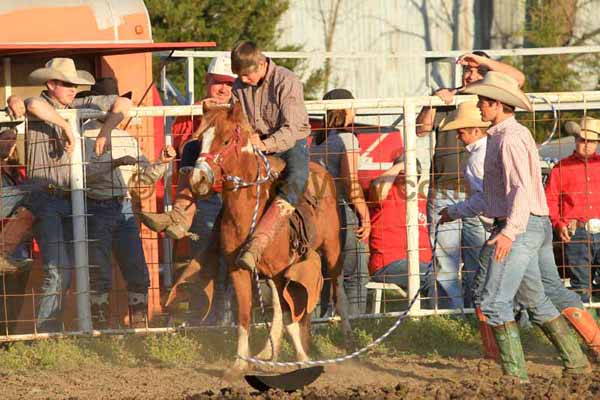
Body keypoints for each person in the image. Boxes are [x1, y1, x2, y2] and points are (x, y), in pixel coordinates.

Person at [465, 71, 590, 381]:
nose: (479, 107)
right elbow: (501, 193)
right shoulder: (508, 136)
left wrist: (509, 231)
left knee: (494, 301)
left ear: (496, 104)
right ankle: (575, 362)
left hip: (518, 226)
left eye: (482, 102)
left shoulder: (507, 140)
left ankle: (516, 377)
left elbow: (519, 189)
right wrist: (456, 211)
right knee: (535, 298)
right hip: (532, 224)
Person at [7, 57, 132, 332]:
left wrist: (106, 130)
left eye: (75, 85)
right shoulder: (39, 105)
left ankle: (50, 330)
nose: (73, 89)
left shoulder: (76, 106)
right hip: (46, 198)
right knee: (58, 268)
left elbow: (125, 102)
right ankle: (47, 332)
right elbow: (33, 104)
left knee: (67, 269)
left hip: (72, 198)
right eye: (67, 84)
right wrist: (66, 127)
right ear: (51, 84)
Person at [416, 51, 525, 309]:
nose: (471, 74)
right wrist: (432, 101)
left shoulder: (494, 99)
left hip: (484, 191)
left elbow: (518, 78)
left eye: (478, 70)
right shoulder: (448, 97)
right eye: (468, 69)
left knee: (480, 255)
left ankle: (478, 309)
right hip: (446, 187)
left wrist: (485, 64)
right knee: (445, 259)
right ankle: (454, 314)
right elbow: (421, 129)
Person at [139, 55, 236, 325]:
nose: (223, 89)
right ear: (207, 82)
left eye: (229, 84)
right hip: (206, 195)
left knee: (231, 259)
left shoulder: (238, 113)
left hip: (232, 193)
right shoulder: (191, 114)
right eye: (219, 83)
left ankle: (227, 322)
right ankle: (209, 325)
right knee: (205, 257)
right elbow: (185, 149)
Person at [227, 40, 311, 272]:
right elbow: (238, 121)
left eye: (247, 75)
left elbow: (291, 129)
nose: (243, 80)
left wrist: (264, 144)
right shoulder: (238, 86)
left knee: (297, 177)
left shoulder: (287, 81)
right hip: (257, 142)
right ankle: (184, 214)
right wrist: (247, 137)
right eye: (239, 76)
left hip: (290, 143)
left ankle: (259, 241)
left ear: (262, 64)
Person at [83, 121, 176, 328]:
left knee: (136, 269)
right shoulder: (83, 134)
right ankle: (101, 329)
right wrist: (114, 164)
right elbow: (80, 176)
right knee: (100, 272)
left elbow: (142, 179)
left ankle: (136, 328)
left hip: (122, 205)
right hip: (94, 205)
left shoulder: (123, 136)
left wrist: (161, 162)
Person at [310, 88, 370, 316]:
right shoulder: (347, 138)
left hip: (316, 209)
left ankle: (319, 322)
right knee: (354, 272)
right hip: (341, 209)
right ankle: (354, 324)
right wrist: (364, 214)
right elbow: (350, 182)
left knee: (322, 271)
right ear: (345, 109)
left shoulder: (315, 140)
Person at [546, 117, 600, 304]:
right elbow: (550, 200)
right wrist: (558, 223)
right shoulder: (561, 168)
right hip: (575, 231)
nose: (586, 145)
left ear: (597, 143)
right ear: (576, 140)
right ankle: (585, 330)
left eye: (591, 141)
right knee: (580, 285)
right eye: (583, 140)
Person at [368, 158, 433, 301]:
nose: (407, 177)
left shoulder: (422, 200)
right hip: (389, 264)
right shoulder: (387, 194)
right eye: (403, 173)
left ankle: (443, 317)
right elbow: (378, 191)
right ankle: (443, 318)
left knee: (446, 275)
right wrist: (399, 166)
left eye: (411, 173)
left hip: (424, 264)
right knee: (434, 277)